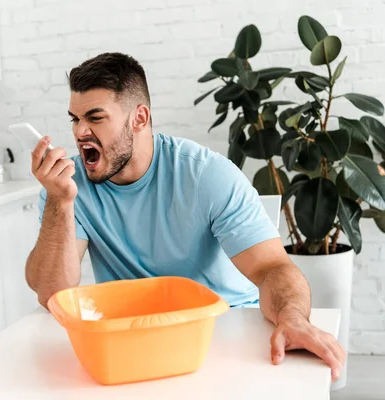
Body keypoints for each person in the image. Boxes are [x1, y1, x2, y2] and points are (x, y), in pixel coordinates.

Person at [25, 52, 345, 381]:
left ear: (139, 118)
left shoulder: (206, 175)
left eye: (95, 117)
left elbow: (272, 268)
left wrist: (292, 316)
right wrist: (60, 202)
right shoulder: (67, 187)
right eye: (75, 119)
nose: (80, 132)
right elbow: (53, 293)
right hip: (134, 341)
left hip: (223, 329)